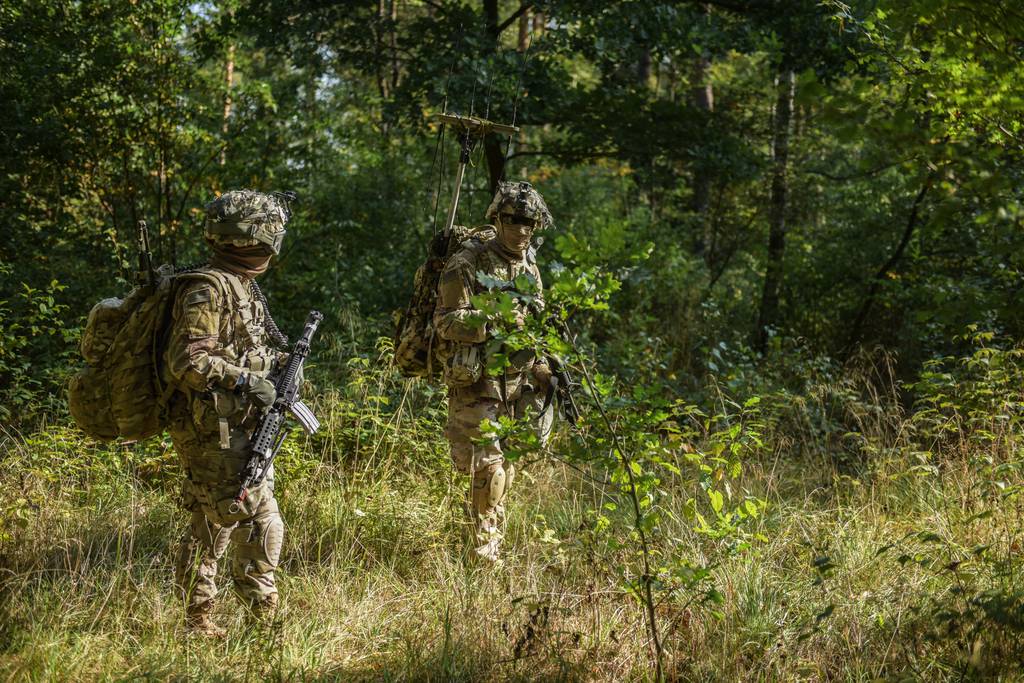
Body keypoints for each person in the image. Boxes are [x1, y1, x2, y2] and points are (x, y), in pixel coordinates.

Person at [164, 189, 295, 636]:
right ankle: (264, 627)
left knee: (210, 523)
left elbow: (238, 348)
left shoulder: (238, 283)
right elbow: (188, 362)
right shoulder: (206, 288)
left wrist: (276, 366)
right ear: (255, 238)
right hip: (216, 432)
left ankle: (197, 620)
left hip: (233, 427)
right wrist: (246, 381)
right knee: (259, 522)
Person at [434, 180, 555, 562]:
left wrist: (542, 368)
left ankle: (482, 542)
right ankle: (484, 554)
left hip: (516, 386)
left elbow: (536, 327)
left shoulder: (529, 267)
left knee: (506, 470)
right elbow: (446, 321)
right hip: (477, 382)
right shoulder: (467, 262)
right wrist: (494, 321)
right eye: (513, 220)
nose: (521, 229)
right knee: (488, 471)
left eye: (529, 222)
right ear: (497, 219)